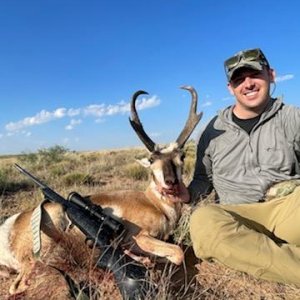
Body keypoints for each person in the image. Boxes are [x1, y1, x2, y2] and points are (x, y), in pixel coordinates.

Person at [188, 48, 300, 286]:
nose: (247, 84)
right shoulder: (212, 131)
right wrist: (185, 193)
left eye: (254, 75)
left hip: (287, 211)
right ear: (230, 88)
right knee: (203, 221)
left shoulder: (293, 118)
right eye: (238, 79)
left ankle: (261, 256)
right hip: (238, 216)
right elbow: (202, 181)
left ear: (271, 75)